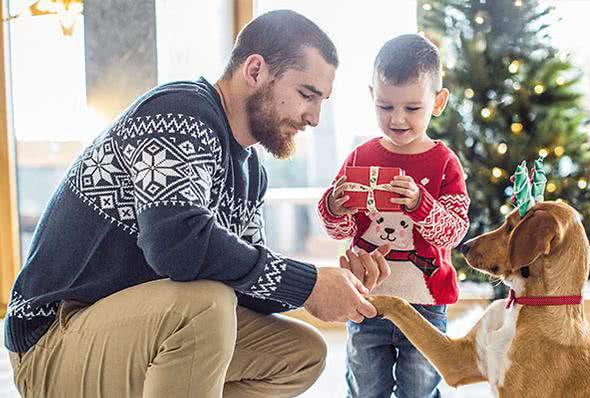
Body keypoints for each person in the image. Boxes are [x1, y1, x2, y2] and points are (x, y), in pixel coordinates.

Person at [5, 10, 390, 398]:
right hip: (50, 343)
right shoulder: (179, 113)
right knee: (206, 305)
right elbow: (178, 244)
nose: (314, 118)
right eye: (307, 95)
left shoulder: (251, 172)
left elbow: (248, 286)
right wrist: (307, 285)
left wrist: (331, 286)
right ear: (255, 70)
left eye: (321, 101)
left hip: (136, 332)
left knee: (302, 353)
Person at [317, 34, 470, 398]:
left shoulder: (445, 162)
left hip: (425, 304)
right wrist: (335, 207)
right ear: (372, 96)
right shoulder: (360, 157)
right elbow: (339, 229)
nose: (397, 119)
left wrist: (421, 203)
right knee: (367, 386)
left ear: (438, 102)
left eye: (412, 108)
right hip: (367, 299)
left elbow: (453, 233)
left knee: (420, 388)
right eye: (386, 107)